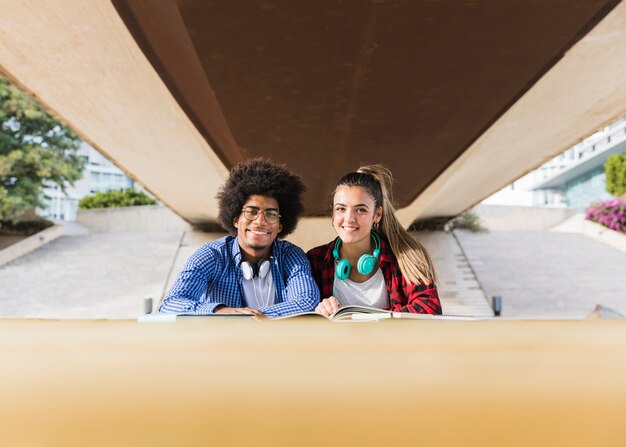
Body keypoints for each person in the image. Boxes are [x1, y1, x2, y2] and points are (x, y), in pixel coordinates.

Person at [159, 158, 320, 318]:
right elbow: (171, 304)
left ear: (280, 225)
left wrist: (252, 317)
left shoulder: (290, 256)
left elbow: (307, 301)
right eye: (251, 211)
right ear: (236, 219)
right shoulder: (211, 255)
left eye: (271, 214)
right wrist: (220, 311)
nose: (260, 221)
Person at [307, 165, 441, 316]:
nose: (349, 219)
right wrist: (319, 310)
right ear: (333, 213)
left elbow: (430, 308)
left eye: (361, 210)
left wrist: (363, 319)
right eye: (341, 209)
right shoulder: (315, 260)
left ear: (377, 215)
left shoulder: (406, 258)